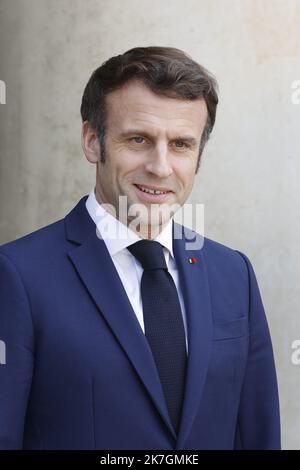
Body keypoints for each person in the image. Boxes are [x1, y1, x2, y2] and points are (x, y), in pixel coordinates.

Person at [0, 46, 280, 450]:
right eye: (138, 139)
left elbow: (258, 435)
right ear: (93, 141)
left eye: (181, 144)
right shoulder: (17, 276)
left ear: (199, 157)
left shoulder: (234, 274)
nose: (161, 166)